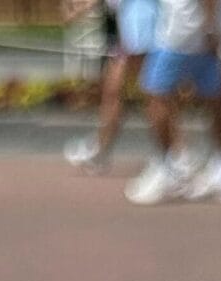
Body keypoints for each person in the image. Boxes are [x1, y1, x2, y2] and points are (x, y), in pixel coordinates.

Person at [125, 0, 221, 204]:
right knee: (214, 101)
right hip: (196, 36)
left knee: (155, 97)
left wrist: (210, 29)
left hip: (179, 37)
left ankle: (165, 166)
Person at [63, 0, 156, 173]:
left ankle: (176, 155)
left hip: (143, 25)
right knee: (114, 92)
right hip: (130, 29)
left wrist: (81, 8)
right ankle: (99, 150)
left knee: (154, 96)